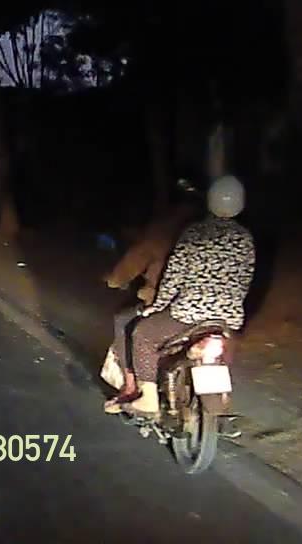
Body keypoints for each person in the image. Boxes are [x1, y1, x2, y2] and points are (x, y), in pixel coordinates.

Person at [103, 175, 256, 414]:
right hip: (228, 318)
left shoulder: (194, 233)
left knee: (143, 334)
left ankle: (148, 399)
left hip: (188, 314)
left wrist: (157, 306)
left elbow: (173, 279)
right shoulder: (245, 240)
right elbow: (245, 279)